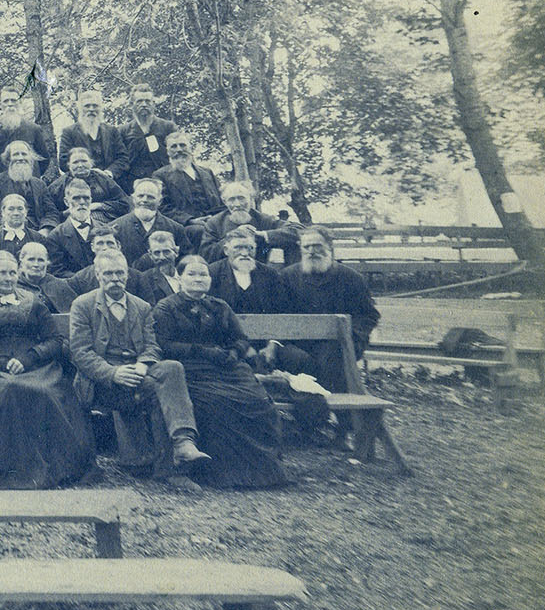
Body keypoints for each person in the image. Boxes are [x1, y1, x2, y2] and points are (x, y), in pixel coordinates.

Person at [0, 251, 94, 489]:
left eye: (12, 273)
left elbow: (54, 339)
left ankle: (57, 467)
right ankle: (12, 469)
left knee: (46, 391)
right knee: (10, 387)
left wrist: (30, 357)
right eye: (1, 273)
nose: (8, 278)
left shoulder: (33, 301)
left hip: (36, 366)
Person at [68, 250, 208, 476]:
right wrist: (113, 373)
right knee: (160, 390)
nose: (115, 279)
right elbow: (80, 352)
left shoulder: (141, 306)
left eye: (120, 274)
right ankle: (164, 464)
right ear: (98, 274)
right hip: (102, 383)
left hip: (138, 373)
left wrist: (143, 363)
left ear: (128, 275)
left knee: (172, 368)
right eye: (109, 274)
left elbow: (152, 346)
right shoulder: (83, 305)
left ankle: (183, 444)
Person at [152, 255, 289, 488]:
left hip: (227, 367)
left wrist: (235, 352)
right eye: (192, 274)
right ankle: (220, 473)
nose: (198, 279)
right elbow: (164, 345)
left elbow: (240, 338)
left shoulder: (219, 306)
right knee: (216, 403)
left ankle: (263, 471)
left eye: (203, 274)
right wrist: (203, 352)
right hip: (192, 369)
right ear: (180, 277)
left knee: (258, 401)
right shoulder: (166, 308)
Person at [283, 226, 381, 391]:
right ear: (300, 248)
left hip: (340, 342)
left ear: (330, 246)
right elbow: (281, 313)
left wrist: (348, 336)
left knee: (330, 356)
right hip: (301, 342)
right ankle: (310, 407)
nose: (312, 251)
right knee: (294, 357)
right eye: (307, 247)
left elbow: (368, 315)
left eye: (317, 246)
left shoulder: (351, 278)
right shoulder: (288, 276)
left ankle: (340, 409)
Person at [198, 181, 296, 266]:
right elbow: (206, 255)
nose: (237, 204)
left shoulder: (263, 219)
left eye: (241, 198)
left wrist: (263, 235)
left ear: (251, 198)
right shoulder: (214, 223)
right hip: (227, 273)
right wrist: (233, 236)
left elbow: (298, 229)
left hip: (260, 270)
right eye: (231, 199)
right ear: (225, 202)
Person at [153, 133, 226, 228]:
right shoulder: (160, 175)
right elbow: (163, 207)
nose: (179, 150)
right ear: (168, 152)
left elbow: (222, 200)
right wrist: (190, 220)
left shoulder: (207, 173)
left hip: (215, 222)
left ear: (190, 148)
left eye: (183, 145)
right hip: (185, 226)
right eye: (173, 147)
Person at [0, 87, 55, 174]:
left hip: (28, 182)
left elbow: (44, 159)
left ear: (20, 102)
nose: (10, 104)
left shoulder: (33, 129)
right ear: (0, 104)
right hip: (0, 184)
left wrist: (32, 175)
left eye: (13, 100)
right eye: (6, 101)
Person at [116, 80, 177, 190]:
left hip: (164, 184)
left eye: (147, 101)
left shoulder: (168, 127)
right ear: (131, 104)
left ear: (153, 104)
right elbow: (119, 161)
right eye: (139, 101)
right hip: (132, 186)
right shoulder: (123, 131)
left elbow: (177, 154)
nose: (144, 105)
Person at [113, 177, 189, 264]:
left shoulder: (175, 228)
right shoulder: (116, 227)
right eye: (140, 196)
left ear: (160, 201)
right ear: (133, 199)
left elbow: (184, 261)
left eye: (150, 197)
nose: (144, 200)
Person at [0, 142, 59, 228]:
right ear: (8, 160)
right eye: (16, 154)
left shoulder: (39, 184)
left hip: (39, 229)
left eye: (24, 154)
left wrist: (46, 228)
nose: (20, 158)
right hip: (9, 229)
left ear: (30, 158)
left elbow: (51, 211)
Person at [56, 90, 129, 178]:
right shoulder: (69, 132)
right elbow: (64, 162)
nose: (91, 109)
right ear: (81, 109)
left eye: (95, 105)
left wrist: (109, 173)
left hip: (110, 182)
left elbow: (123, 158)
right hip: (81, 183)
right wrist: (85, 171)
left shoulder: (112, 131)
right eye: (87, 106)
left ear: (100, 108)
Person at [46, 181, 104, 279]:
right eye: (76, 198)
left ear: (91, 200)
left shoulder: (104, 230)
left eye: (86, 198)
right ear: (66, 202)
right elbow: (57, 271)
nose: (82, 202)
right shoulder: (56, 236)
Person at [54, 146, 129, 221]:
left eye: (84, 161)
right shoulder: (59, 185)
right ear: (69, 165)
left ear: (91, 163)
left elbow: (124, 203)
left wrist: (98, 205)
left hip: (106, 222)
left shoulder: (103, 179)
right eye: (75, 162)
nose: (80, 165)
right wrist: (67, 212)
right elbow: (51, 212)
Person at [17, 240, 78, 314]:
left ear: (47, 262)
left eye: (41, 260)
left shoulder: (58, 285)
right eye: (31, 259)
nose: (36, 264)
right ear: (22, 261)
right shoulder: (14, 285)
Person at [130, 230, 185, 306]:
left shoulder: (187, 274)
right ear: (150, 255)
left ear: (176, 252)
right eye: (157, 253)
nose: (162, 257)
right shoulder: (145, 279)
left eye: (166, 252)